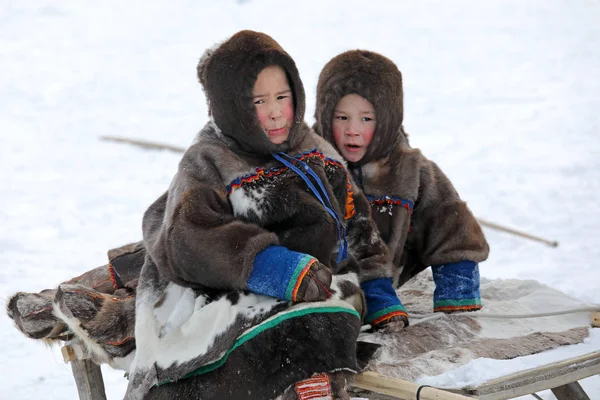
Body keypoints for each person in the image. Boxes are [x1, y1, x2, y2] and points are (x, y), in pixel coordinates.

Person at [8, 32, 404, 400]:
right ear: (233, 107)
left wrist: (379, 290)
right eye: (258, 102)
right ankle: (93, 313)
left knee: (331, 311)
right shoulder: (210, 159)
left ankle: (112, 319)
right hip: (222, 283)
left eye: (282, 97)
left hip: (315, 281)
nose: (276, 113)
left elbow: (356, 226)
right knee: (164, 273)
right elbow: (189, 237)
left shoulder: (314, 151)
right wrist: (272, 266)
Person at [313, 50, 490, 317]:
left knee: (447, 211)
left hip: (390, 273)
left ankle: (456, 288)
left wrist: (458, 275)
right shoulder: (310, 163)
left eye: (366, 119)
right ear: (325, 116)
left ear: (387, 120)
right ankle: (371, 298)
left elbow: (450, 221)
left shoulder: (406, 166)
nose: (353, 129)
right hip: (330, 284)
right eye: (341, 117)